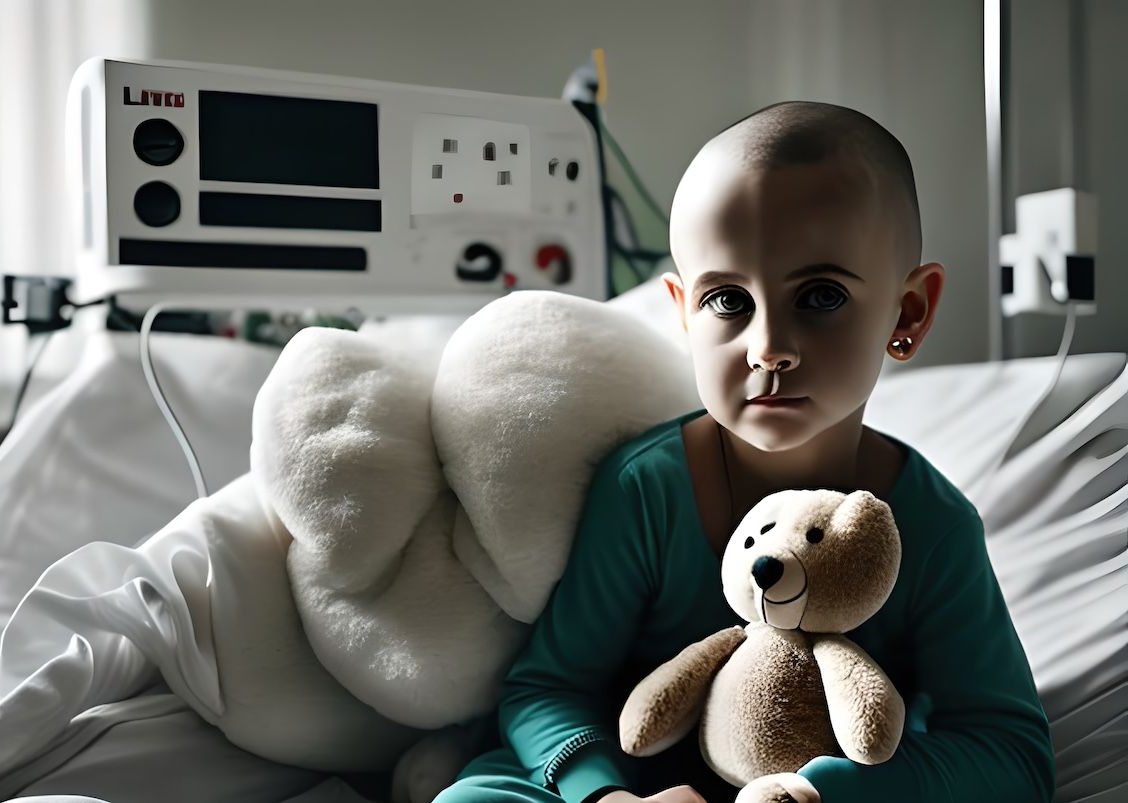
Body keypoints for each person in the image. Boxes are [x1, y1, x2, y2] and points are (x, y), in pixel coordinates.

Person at [432, 101, 1056, 803]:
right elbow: (548, 688)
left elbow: (1010, 752)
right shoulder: (649, 489)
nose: (769, 349)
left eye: (819, 296)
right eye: (727, 301)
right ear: (683, 315)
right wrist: (604, 794)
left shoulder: (932, 524)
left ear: (906, 313)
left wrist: (824, 790)